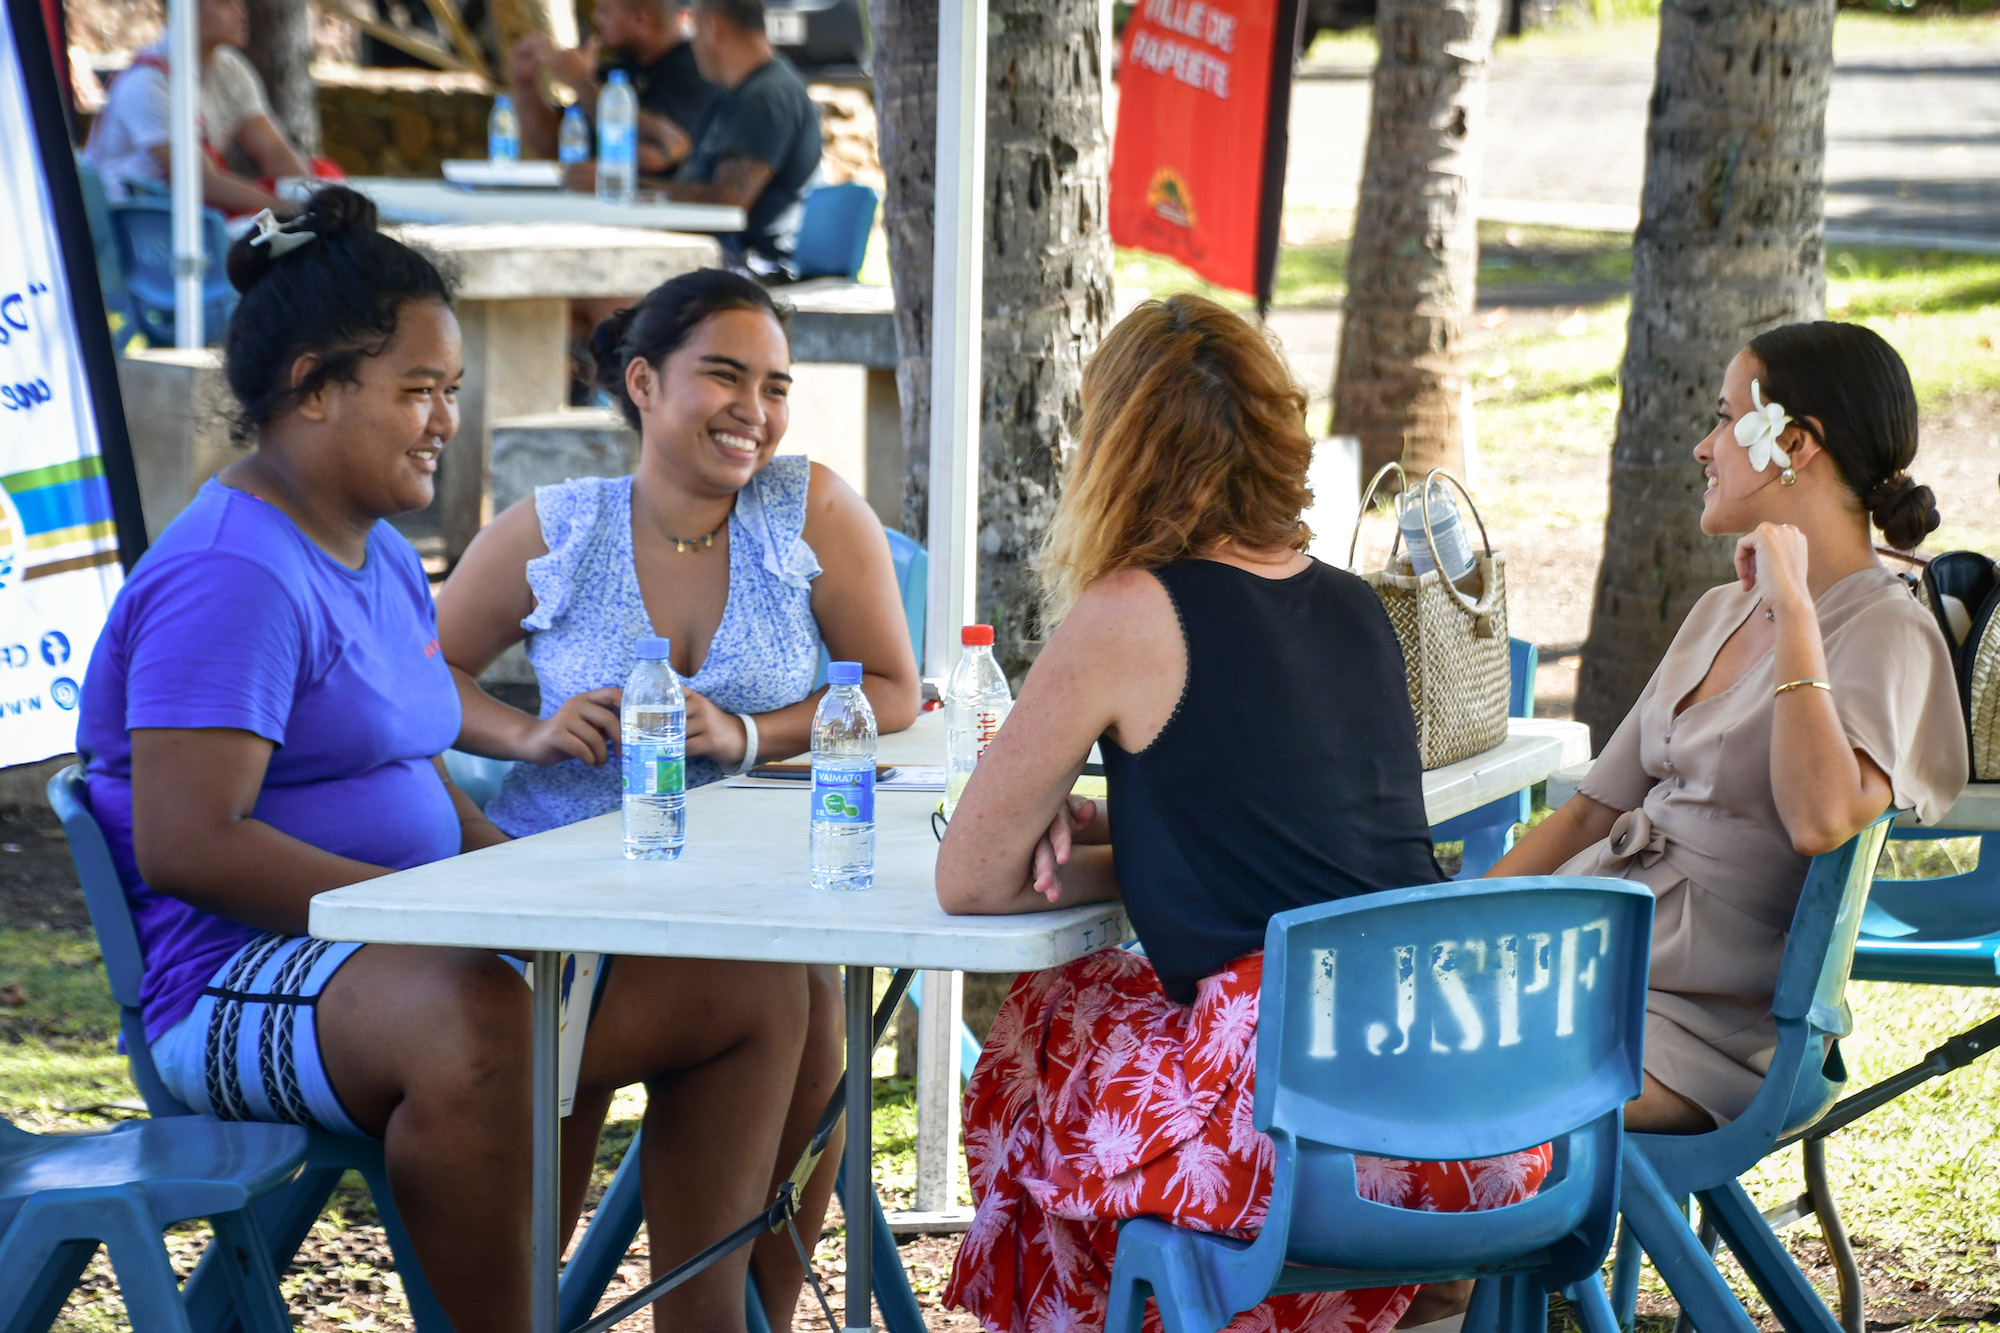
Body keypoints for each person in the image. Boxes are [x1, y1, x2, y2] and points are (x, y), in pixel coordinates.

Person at [78, 187, 822, 1332]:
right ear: (313, 388)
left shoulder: (368, 550)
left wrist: (520, 892)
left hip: (403, 954)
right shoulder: (233, 571)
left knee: (753, 985)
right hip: (229, 986)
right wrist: (437, 908)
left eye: (452, 393)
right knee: (480, 1015)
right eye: (416, 391)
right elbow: (188, 842)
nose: (442, 421)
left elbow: (407, 773)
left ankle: (708, 1320)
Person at [932, 294, 1552, 1333]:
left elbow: (970, 877)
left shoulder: (1129, 610)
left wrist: (1076, 831)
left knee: (1046, 1024)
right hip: (1461, 1099)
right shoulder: (1355, 605)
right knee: (1091, 1024)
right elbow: (1277, 843)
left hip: (1294, 1122)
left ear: (1114, 450)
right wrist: (1130, 838)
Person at [432, 266, 921, 1316]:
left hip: (755, 889)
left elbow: (892, 688)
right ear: (644, 381)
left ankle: (731, 1309)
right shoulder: (562, 527)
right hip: (574, 906)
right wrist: (527, 728)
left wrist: (747, 732)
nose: (755, 411)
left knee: (798, 997)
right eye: (725, 377)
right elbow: (417, 672)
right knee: (776, 998)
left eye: (776, 385)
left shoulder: (809, 509)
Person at [1491, 321, 1968, 1133]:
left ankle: (1458, 1259)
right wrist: (1437, 931)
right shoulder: (1720, 608)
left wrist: (1793, 610)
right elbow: (1587, 815)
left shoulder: (1890, 629)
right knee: (1386, 1035)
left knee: (1452, 1083)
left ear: (1793, 442)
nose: (1705, 448)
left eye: (1722, 417)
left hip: (1711, 1028)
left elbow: (1821, 818)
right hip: (1599, 957)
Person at [82, 0, 312, 214]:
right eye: (224, 2)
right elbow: (200, 180)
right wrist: (288, 207)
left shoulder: (230, 69)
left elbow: (272, 148)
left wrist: (313, 195)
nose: (240, 10)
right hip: (133, 225)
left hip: (184, 214)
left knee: (323, 173)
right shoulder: (147, 81)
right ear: (187, 10)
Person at [659, 0, 822, 269]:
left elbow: (728, 200)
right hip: (715, 256)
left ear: (714, 27)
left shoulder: (767, 96)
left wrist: (637, 193)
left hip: (752, 265)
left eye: (694, 30)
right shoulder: (734, 94)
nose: (692, 44)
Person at [510, 0, 722, 182]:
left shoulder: (697, 71)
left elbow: (662, 149)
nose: (595, 18)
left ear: (642, 20)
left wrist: (583, 83)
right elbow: (555, 145)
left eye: (605, 10)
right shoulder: (618, 73)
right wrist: (525, 83)